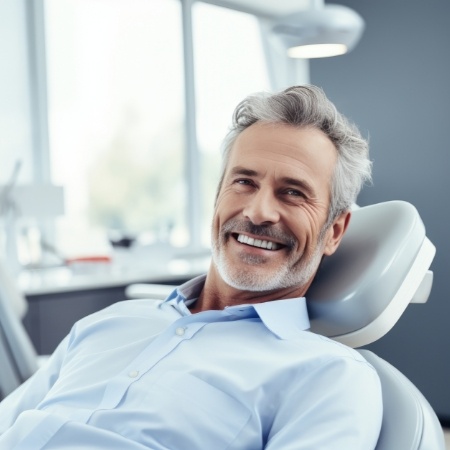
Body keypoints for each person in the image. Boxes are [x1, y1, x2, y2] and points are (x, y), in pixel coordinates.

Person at [0, 85, 382, 449]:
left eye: (293, 193)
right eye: (244, 182)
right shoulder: (107, 322)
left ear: (333, 231)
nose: (258, 212)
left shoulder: (329, 377)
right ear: (218, 196)